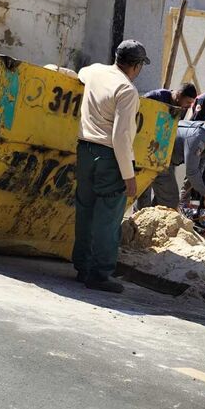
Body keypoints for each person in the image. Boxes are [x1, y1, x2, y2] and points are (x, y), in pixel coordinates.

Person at [72, 40, 150, 293]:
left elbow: (79, 74)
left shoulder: (94, 71)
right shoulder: (127, 91)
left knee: (85, 211)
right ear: (136, 66)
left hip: (85, 151)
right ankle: (99, 274)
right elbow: (121, 137)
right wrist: (129, 175)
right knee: (107, 219)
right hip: (110, 158)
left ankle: (82, 266)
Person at [134, 111, 205, 210]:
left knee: (163, 199)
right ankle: (139, 222)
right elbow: (192, 172)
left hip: (167, 159)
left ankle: (152, 222)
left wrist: (188, 194)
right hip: (155, 153)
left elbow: (199, 168)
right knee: (168, 198)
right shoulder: (197, 137)